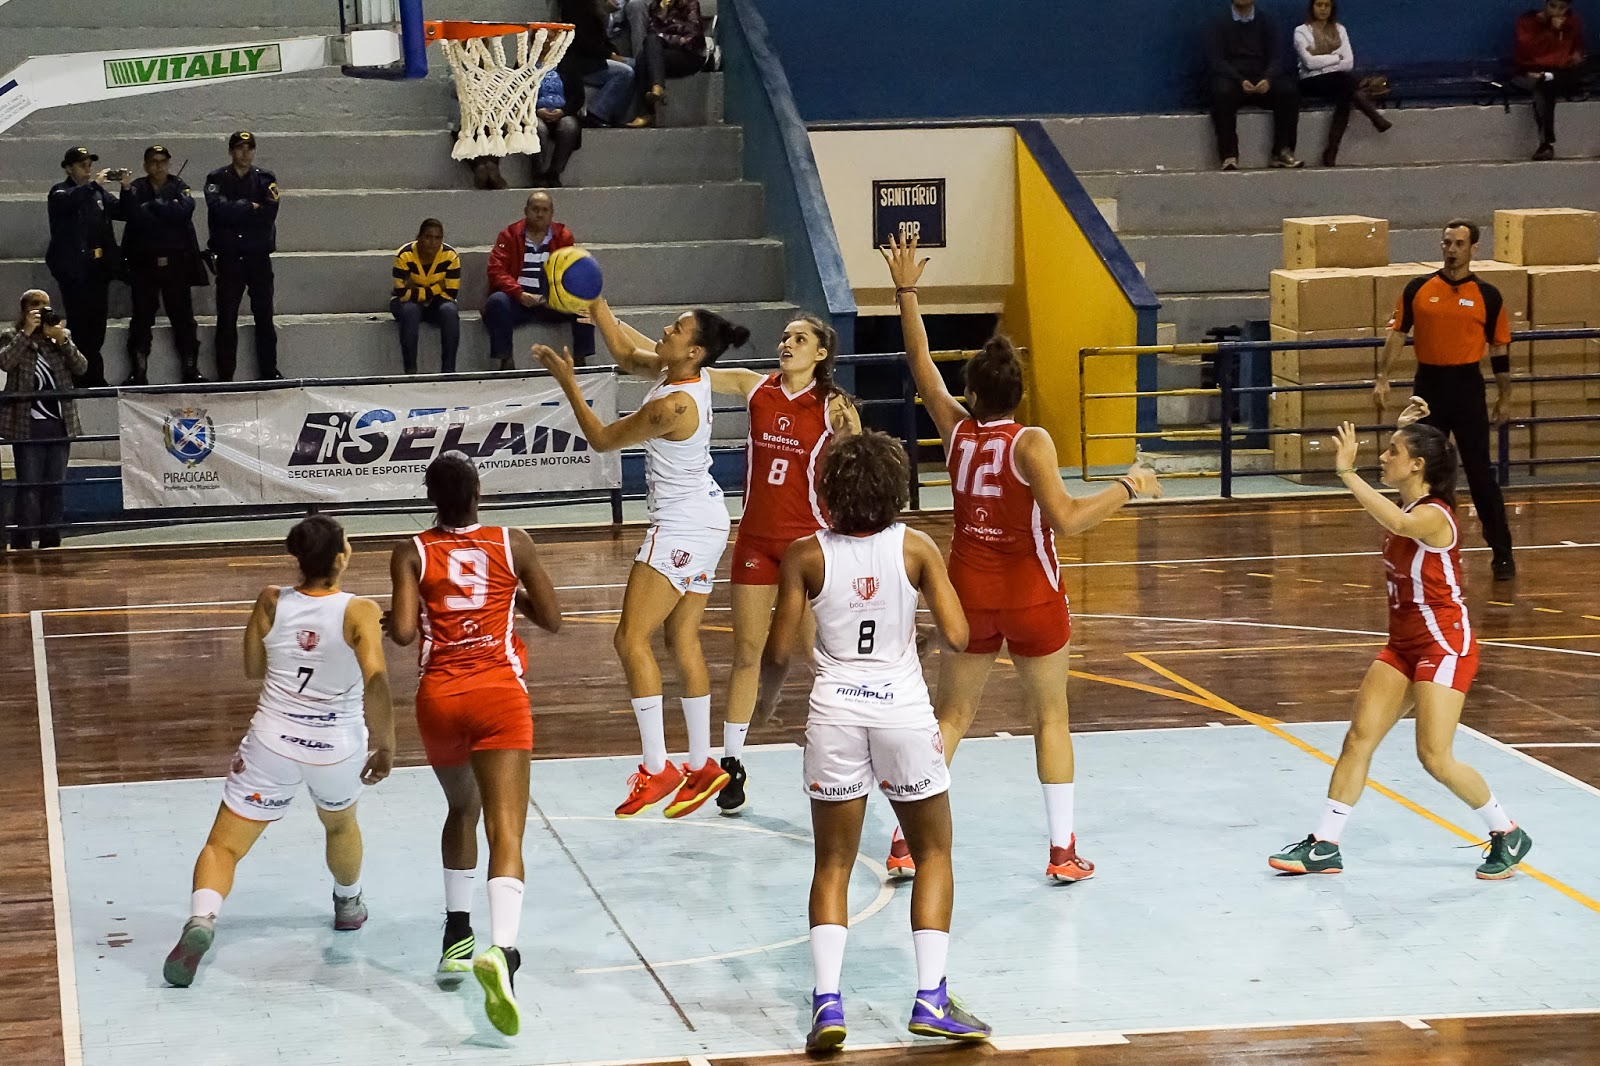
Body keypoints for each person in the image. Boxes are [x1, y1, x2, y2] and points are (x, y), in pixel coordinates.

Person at [881, 234, 1161, 882]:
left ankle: (901, 841)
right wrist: (1126, 487)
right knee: (1050, 718)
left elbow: (919, 358)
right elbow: (1065, 519)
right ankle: (1063, 852)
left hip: (970, 593)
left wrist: (907, 290)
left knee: (952, 718)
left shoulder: (955, 430)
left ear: (973, 390)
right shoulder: (1029, 441)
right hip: (1032, 591)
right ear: (1019, 391)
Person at [754, 430, 990, 1051]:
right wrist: (924, 640)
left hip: (834, 711)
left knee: (831, 863)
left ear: (828, 490)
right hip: (903, 712)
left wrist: (765, 705)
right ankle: (932, 997)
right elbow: (961, 636)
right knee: (933, 852)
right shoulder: (915, 549)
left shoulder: (804, 556)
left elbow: (777, 651)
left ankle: (828, 1003)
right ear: (898, 491)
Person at [1269, 410, 1532, 881]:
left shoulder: (1433, 515)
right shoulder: (1413, 507)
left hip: (1444, 646)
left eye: (1394, 451)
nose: (1385, 457)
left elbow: (1395, 519)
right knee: (1358, 737)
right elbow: (1398, 505)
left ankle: (1506, 831)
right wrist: (1411, 423)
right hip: (1403, 645)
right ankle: (1325, 844)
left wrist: (1346, 472)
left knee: (1434, 756)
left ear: (1417, 466)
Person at [533, 300, 749, 818]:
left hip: (680, 527)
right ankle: (702, 764)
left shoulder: (672, 405)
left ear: (694, 351)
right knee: (680, 638)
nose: (665, 331)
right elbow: (628, 353)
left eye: (676, 329)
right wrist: (597, 304)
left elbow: (604, 440)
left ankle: (657, 767)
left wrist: (568, 383)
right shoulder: (675, 371)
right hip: (708, 520)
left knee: (629, 638)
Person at [162, 516, 395, 988]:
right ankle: (348, 904)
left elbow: (253, 668)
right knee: (340, 823)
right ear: (340, 557)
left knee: (223, 846)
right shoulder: (360, 611)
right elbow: (375, 678)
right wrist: (386, 742)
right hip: (335, 747)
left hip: (271, 742)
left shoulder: (271, 600)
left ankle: (202, 921)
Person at [385, 452, 563, 1036]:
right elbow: (554, 619)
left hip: (439, 698)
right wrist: (514, 596)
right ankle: (503, 952)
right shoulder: (513, 542)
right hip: (497, 693)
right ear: (479, 492)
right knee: (505, 831)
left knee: (461, 807)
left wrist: (392, 619)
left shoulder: (411, 549)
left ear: (430, 497)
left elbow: (407, 632)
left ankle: (455, 933)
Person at [701, 314, 860, 815]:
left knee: (816, 656)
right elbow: (685, 368)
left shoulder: (833, 407)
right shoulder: (756, 389)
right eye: (785, 336)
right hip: (754, 541)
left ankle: (855, 749)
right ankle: (731, 764)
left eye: (800, 338)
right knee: (747, 655)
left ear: (820, 354)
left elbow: (865, 466)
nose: (786, 343)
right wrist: (605, 316)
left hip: (808, 548)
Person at [1375, 220, 1516, 581]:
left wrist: (1505, 395)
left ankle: (1502, 553)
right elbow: (1397, 334)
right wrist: (1383, 376)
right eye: (1447, 242)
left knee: (1481, 474)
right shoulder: (1418, 288)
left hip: (1467, 386)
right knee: (1419, 470)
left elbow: (1499, 349)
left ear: (1474, 249)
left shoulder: (1488, 295)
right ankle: (1409, 542)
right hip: (1430, 387)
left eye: (1459, 243)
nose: (1451, 249)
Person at [0, 290, 87, 551]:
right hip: (26, 425)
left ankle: (51, 541)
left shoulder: (59, 339)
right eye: (35, 305)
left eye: (45, 305)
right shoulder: (12, 336)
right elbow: (4, 362)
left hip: (59, 425)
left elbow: (82, 368)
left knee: (55, 486)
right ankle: (22, 541)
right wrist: (27, 333)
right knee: (29, 487)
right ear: (24, 310)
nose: (41, 310)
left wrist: (62, 340)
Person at [483, 191, 596, 371]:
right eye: (535, 209)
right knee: (497, 301)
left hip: (551, 302)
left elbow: (572, 272)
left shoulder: (564, 236)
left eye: (545, 210)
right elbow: (496, 270)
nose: (540, 214)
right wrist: (519, 293)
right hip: (518, 301)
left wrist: (555, 296)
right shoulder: (508, 236)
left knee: (585, 301)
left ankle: (581, 358)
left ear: (552, 213)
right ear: (526, 210)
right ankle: (506, 360)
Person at [121, 144, 205, 385]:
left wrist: (155, 206)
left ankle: (191, 369)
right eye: (154, 162)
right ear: (146, 165)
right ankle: (138, 370)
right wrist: (160, 210)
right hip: (143, 263)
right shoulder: (136, 186)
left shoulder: (180, 185)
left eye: (163, 161)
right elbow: (131, 215)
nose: (159, 166)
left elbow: (184, 211)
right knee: (141, 318)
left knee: (183, 318)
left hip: (176, 263)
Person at [45, 146, 125, 387]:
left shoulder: (97, 193)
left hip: (97, 267)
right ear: (69, 168)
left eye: (89, 164)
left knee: (97, 325)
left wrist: (128, 189)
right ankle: (78, 375)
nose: (88, 169)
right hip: (75, 270)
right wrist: (92, 186)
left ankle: (94, 374)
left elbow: (121, 210)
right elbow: (69, 201)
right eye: (82, 165)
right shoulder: (61, 191)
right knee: (80, 324)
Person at [205, 131, 280, 382]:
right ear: (231, 151)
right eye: (239, 148)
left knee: (264, 316)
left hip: (258, 257)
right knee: (227, 318)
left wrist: (235, 209)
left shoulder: (265, 179)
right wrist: (249, 206)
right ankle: (226, 375)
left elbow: (269, 213)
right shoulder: (216, 178)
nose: (245, 153)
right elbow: (218, 210)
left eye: (249, 148)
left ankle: (269, 371)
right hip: (229, 258)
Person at [1205, 0, 1304, 170]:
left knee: (1288, 92)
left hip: (1261, 78)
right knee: (1221, 92)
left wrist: (1268, 78)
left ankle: (1282, 151)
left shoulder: (1267, 21)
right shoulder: (1217, 22)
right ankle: (1229, 156)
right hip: (1233, 79)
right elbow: (1216, 60)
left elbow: (1277, 57)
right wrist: (1239, 79)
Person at [1294, 0, 1392, 167]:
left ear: (1332, 8)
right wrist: (1335, 57)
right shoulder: (1302, 31)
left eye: (1327, 5)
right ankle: (1374, 117)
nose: (1323, 9)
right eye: (1319, 5)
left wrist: (1321, 59)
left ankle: (1331, 151)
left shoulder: (1340, 30)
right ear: (1312, 8)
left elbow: (1349, 63)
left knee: (1345, 93)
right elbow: (1309, 63)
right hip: (1310, 81)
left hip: (1337, 81)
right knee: (1346, 84)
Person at [1513, 0, 1587, 161]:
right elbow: (1531, 53)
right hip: (1530, 72)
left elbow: (1573, 52)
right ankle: (1545, 143)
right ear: (1545, 4)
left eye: (1562, 8)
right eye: (1552, 6)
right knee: (1543, 87)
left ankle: (1548, 78)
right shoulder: (1527, 22)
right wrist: (1551, 32)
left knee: (1558, 79)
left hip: (1560, 73)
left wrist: (1575, 57)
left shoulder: (1572, 23)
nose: (1556, 11)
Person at [392, 218, 462, 374]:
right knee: (410, 311)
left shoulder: (451, 256)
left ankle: (448, 372)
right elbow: (402, 294)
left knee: (449, 311)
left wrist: (416, 290)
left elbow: (451, 293)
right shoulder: (404, 255)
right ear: (419, 237)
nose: (433, 242)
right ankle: (410, 372)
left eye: (438, 238)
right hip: (406, 305)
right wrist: (438, 287)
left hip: (436, 304)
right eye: (428, 237)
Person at [557, 0, 636, 128]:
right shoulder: (574, 5)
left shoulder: (595, 6)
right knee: (625, 72)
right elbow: (581, 41)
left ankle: (616, 117)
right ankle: (596, 114)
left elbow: (602, 39)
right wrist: (610, 55)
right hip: (581, 62)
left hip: (597, 57)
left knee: (635, 64)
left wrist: (613, 53)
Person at [629, 0, 708, 128]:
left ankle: (648, 108)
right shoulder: (655, 7)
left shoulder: (690, 3)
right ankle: (655, 93)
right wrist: (662, 14)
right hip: (663, 55)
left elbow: (692, 37)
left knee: (650, 47)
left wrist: (666, 32)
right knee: (643, 56)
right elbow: (652, 35)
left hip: (690, 56)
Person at [532, 69, 583, 188]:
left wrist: (563, 111)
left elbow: (578, 96)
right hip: (533, 114)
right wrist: (535, 110)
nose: (546, 48)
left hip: (563, 112)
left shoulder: (567, 63)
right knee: (538, 129)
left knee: (569, 126)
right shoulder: (525, 61)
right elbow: (517, 93)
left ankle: (554, 173)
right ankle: (539, 173)